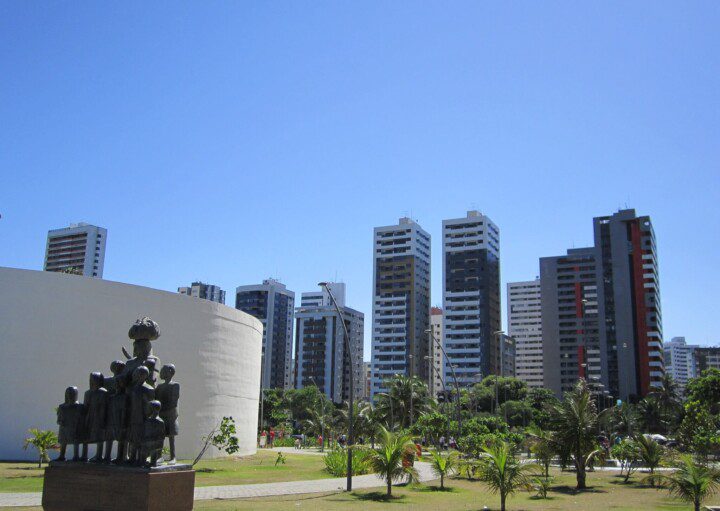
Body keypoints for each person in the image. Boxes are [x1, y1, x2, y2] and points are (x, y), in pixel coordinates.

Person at [155, 364, 180, 463]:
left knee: (171, 436)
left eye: (164, 370)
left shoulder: (175, 385)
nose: (161, 373)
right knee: (160, 435)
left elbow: (174, 400)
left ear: (170, 372)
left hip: (170, 414)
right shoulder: (159, 386)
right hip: (161, 413)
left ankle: (173, 456)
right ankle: (159, 456)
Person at [84, 372, 108, 462]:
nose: (93, 381)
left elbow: (104, 407)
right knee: (86, 436)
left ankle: (99, 455)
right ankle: (84, 455)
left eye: (95, 379)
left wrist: (102, 419)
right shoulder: (88, 393)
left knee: (100, 437)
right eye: (91, 379)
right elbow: (86, 406)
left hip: (99, 417)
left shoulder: (103, 393)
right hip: (90, 416)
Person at [56, 386, 83, 461]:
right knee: (63, 442)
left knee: (76, 441)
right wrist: (61, 421)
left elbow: (83, 417)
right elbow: (59, 419)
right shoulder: (62, 407)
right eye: (69, 393)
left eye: (72, 393)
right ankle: (62, 456)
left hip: (75, 427)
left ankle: (76, 456)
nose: (70, 395)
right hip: (64, 428)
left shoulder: (80, 406)